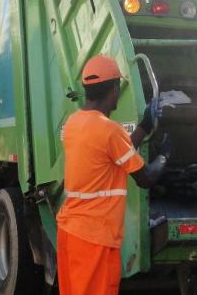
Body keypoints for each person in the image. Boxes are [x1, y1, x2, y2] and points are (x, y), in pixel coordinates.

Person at [56, 55, 170, 295]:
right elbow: (145, 179)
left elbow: (114, 152)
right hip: (96, 237)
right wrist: (164, 157)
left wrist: (144, 126)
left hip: (71, 231)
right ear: (115, 89)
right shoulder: (109, 130)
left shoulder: (74, 123)